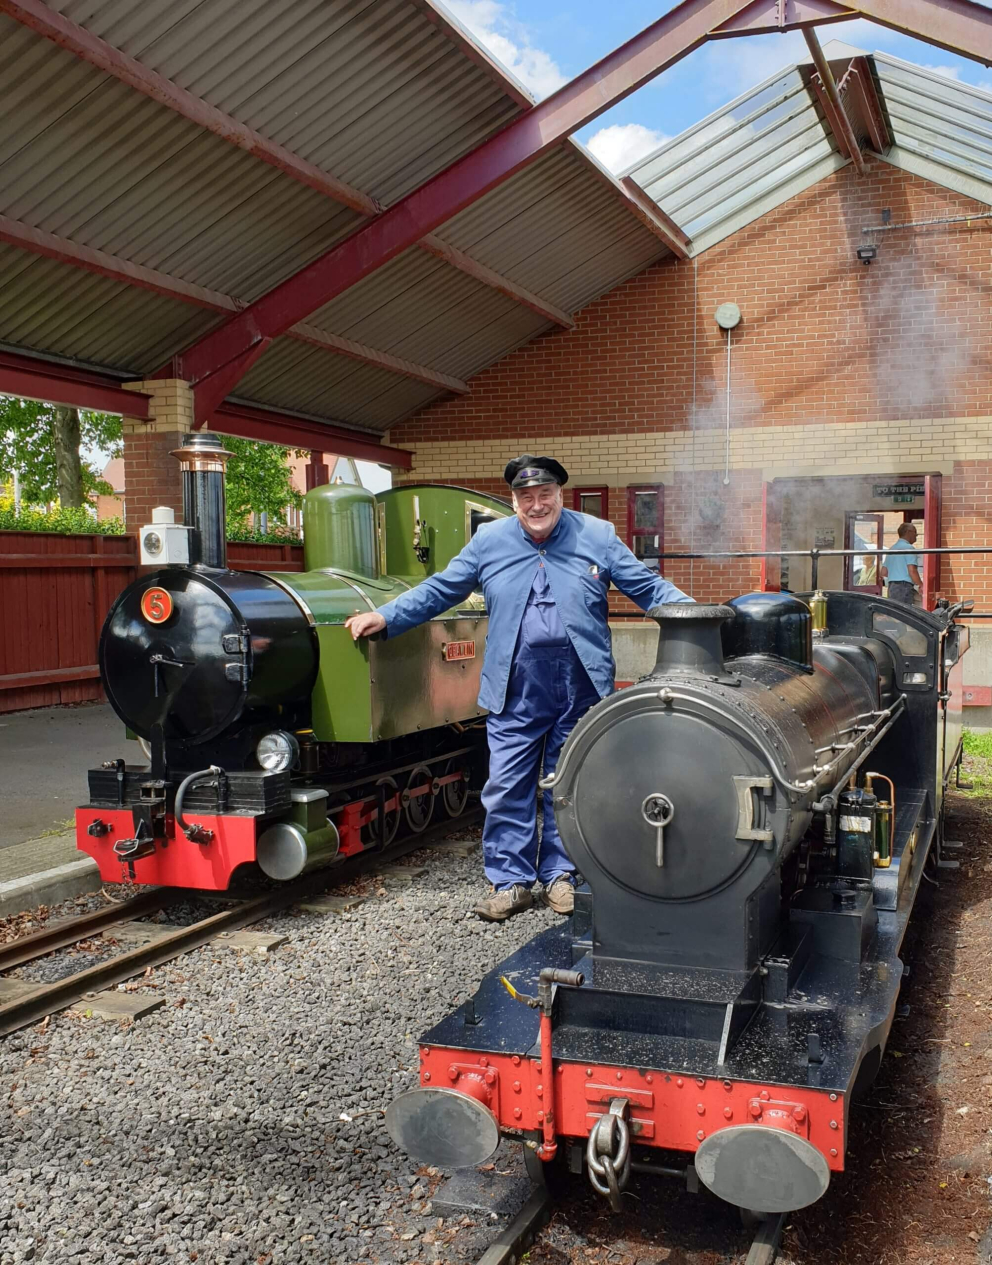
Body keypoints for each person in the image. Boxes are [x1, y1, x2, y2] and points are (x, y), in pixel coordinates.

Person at [345, 455, 693, 922]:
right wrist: (387, 616)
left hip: (580, 688)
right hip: (514, 687)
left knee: (566, 784)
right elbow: (442, 588)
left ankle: (561, 876)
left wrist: (699, 616)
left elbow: (648, 589)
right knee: (507, 784)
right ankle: (509, 882)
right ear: (514, 501)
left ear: (559, 495)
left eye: (544, 494)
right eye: (525, 497)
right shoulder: (489, 541)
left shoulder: (597, 536)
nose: (536, 505)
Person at [882, 522, 922, 606]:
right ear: (908, 532)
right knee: (905, 615)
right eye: (915, 533)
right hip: (904, 587)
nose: (916, 536)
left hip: (892, 587)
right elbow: (912, 571)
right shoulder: (909, 549)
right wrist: (921, 585)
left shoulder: (891, 549)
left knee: (894, 613)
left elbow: (884, 572)